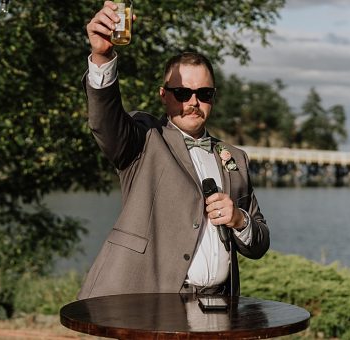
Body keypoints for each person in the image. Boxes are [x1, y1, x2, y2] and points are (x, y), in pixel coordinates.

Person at [78, 1, 269, 299]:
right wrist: (103, 56)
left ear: (213, 98)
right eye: (182, 93)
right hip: (149, 302)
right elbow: (105, 121)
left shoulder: (236, 158)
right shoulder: (144, 138)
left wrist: (239, 220)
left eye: (203, 94)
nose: (193, 102)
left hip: (217, 305)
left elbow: (260, 242)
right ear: (164, 96)